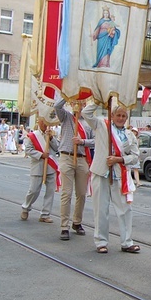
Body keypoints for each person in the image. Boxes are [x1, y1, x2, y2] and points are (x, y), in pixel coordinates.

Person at [82, 101, 140, 254]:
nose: (120, 118)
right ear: (112, 115)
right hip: (101, 173)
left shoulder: (129, 135)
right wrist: (98, 100)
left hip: (120, 175)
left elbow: (135, 156)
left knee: (125, 210)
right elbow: (85, 113)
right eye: (118, 115)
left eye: (123, 116)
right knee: (101, 210)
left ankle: (127, 242)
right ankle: (101, 241)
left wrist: (119, 160)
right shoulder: (102, 126)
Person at [55, 98, 94, 242]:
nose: (79, 105)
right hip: (67, 156)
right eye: (76, 102)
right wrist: (68, 95)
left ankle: (77, 222)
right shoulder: (65, 116)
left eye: (82, 103)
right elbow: (56, 106)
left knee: (82, 193)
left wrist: (83, 142)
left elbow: (96, 141)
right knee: (66, 193)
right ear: (71, 104)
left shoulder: (89, 122)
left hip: (82, 158)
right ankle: (64, 226)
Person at [20, 120, 60, 223]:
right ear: (39, 122)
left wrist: (51, 138)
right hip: (38, 166)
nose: (44, 124)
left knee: (50, 192)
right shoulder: (32, 135)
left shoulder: (51, 134)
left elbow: (57, 148)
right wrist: (41, 155)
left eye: (46, 122)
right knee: (33, 190)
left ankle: (45, 214)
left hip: (50, 167)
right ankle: (26, 207)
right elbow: (28, 150)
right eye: (42, 122)